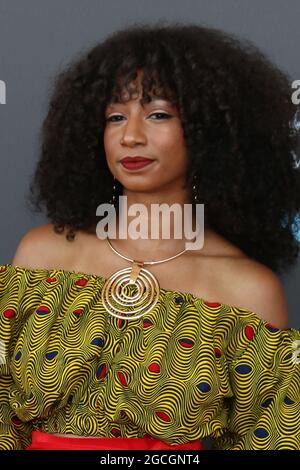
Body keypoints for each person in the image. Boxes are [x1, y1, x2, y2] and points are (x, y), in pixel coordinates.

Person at [0, 21, 300, 451]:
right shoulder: (40, 254)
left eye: (159, 114)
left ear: (208, 131)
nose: (131, 136)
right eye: (115, 117)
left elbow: (269, 440)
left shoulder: (248, 290)